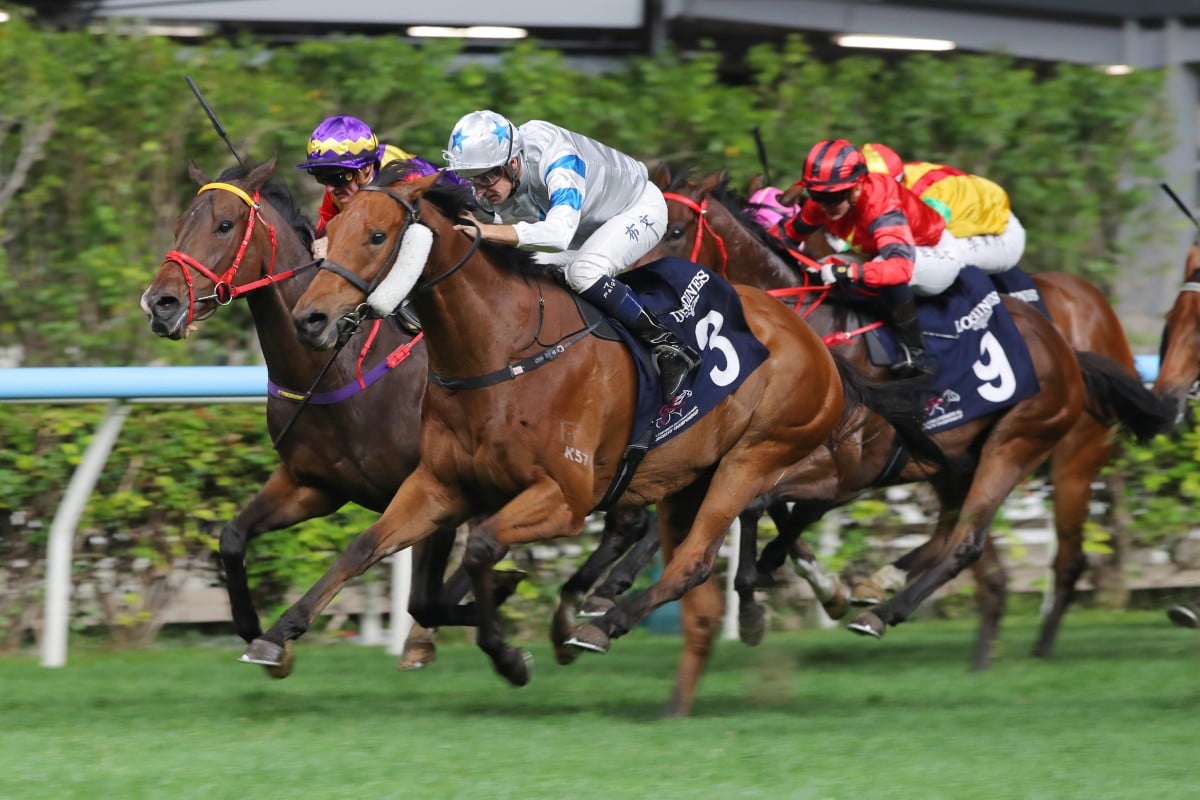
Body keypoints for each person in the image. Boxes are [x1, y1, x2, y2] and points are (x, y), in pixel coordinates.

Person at [442, 109, 699, 402]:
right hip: (583, 225)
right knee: (524, 271)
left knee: (583, 272)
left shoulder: (557, 156)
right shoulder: (495, 179)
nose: (481, 190)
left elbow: (558, 235)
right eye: (472, 180)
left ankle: (670, 346)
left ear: (513, 162)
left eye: (487, 178)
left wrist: (486, 232)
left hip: (637, 209)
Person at [777, 138, 969, 375]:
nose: (825, 205)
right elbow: (785, 237)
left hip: (935, 253)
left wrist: (849, 272)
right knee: (825, 265)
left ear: (857, 187)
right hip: (881, 251)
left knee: (876, 270)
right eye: (817, 195)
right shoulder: (822, 202)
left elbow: (899, 268)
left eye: (834, 197)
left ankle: (916, 352)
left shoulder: (881, 203)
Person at [860, 141, 1027, 275]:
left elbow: (923, 238)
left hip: (1002, 235)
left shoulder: (929, 196)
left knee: (926, 262)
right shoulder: (897, 177)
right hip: (967, 220)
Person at [296, 115, 441, 258]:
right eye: (321, 177)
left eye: (337, 177)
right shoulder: (338, 188)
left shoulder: (406, 180)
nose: (329, 189)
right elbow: (325, 231)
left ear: (366, 169)